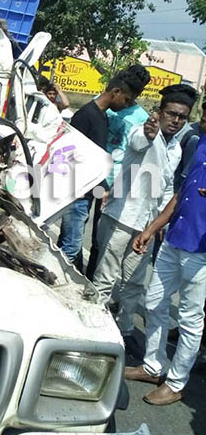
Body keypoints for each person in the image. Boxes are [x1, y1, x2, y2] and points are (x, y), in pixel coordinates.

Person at [90, 84, 195, 340]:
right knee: (105, 277)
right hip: (121, 218)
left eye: (182, 117)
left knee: (135, 283)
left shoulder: (176, 148)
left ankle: (124, 332)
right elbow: (138, 141)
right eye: (171, 114)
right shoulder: (144, 131)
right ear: (159, 113)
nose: (176, 121)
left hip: (146, 226)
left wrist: (158, 226)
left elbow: (167, 188)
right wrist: (150, 133)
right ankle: (92, 328)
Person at [124, 123, 206, 405]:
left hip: (201, 251)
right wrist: (150, 229)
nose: (199, 123)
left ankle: (175, 382)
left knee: (190, 320)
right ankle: (152, 366)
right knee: (154, 303)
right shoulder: (198, 143)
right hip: (174, 240)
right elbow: (180, 194)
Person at [58, 74, 135, 265]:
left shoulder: (102, 116)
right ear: (115, 91)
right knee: (72, 246)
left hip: (86, 191)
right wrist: (103, 189)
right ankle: (55, 287)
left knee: (69, 242)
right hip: (77, 192)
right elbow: (74, 155)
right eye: (125, 99)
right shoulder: (86, 115)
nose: (125, 105)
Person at [85, 64, 151, 279]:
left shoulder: (141, 117)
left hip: (114, 183)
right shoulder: (105, 101)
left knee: (100, 237)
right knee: (77, 225)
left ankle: (90, 278)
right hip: (91, 177)